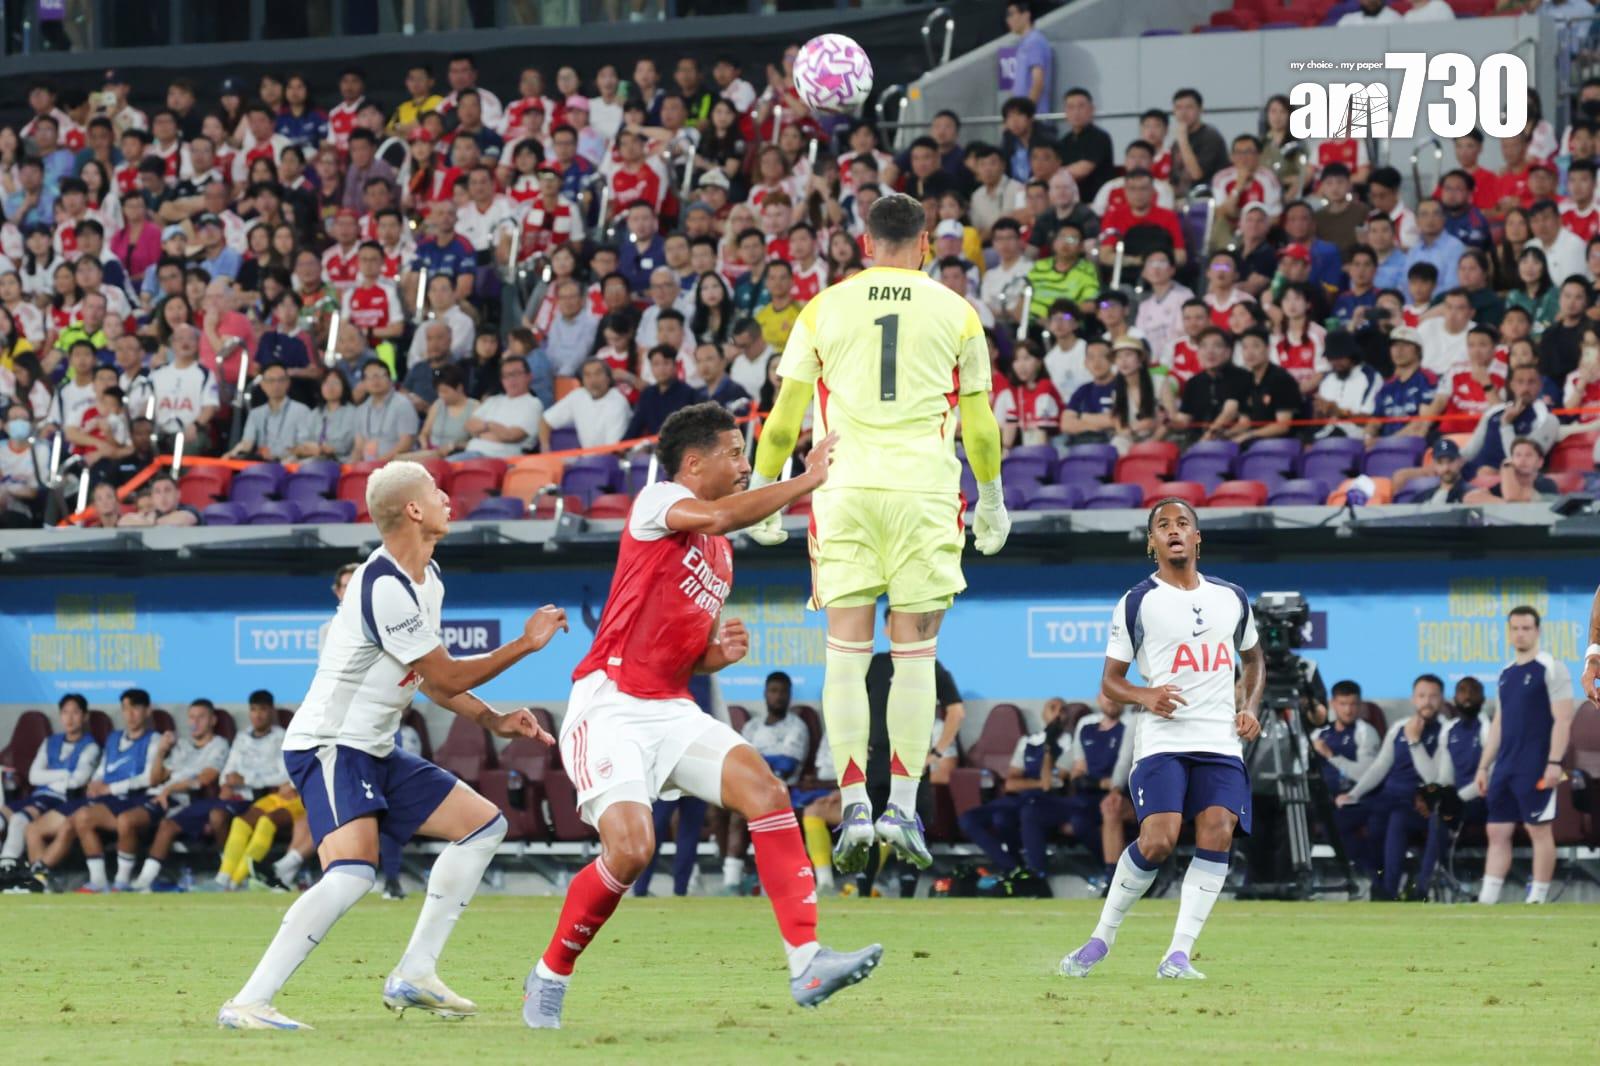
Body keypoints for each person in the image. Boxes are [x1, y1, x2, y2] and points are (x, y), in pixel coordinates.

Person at [522, 404, 880, 1027]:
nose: (744, 465)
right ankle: (550, 974)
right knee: (632, 850)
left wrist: (719, 655)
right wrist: (808, 479)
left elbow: (689, 653)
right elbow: (719, 513)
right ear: (693, 463)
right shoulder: (658, 500)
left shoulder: (720, 553)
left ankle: (807, 961)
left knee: (767, 792)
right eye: (734, 453)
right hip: (610, 704)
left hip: (671, 706)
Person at [219, 462, 570, 1030]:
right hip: (330, 744)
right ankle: (248, 1002)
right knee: (353, 874)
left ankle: (416, 973)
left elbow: (430, 679)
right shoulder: (382, 584)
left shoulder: (429, 579)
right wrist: (525, 644)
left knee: (484, 826)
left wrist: (494, 720)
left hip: (374, 749)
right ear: (412, 510)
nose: (447, 498)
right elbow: (447, 674)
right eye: (435, 491)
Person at [746, 193, 1009, 875]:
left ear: (865, 245)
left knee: (845, 657)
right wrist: (992, 500)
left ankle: (856, 804)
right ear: (925, 244)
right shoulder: (957, 311)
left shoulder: (822, 308)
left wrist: (763, 495)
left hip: (846, 493)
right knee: (915, 657)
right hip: (925, 493)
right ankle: (905, 807)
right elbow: (980, 424)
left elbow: (783, 419)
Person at [1060, 498, 1263, 981]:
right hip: (1163, 742)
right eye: (1163, 525)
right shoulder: (1137, 601)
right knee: (1158, 841)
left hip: (1220, 742)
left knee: (1219, 830)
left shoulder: (1232, 597)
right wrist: (1145, 694)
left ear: (1197, 538)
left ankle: (1178, 955)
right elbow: (1110, 681)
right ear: (1152, 542)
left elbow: (1254, 660)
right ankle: (1101, 939)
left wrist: (1250, 707)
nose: (1174, 530)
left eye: (1183, 523)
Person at [1476, 606, 1574, 906]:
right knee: (1497, 830)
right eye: (1515, 628)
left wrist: (1554, 762)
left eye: (1526, 628)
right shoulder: (1505, 673)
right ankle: (1487, 899)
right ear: (1508, 632)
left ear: (1537, 631)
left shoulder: (1551, 668)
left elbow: (1563, 719)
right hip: (1505, 765)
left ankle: (1537, 899)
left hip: (1537, 764)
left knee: (1538, 829)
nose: (1520, 634)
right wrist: (1484, 766)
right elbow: (1499, 723)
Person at [1336, 675, 1446, 900]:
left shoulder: (1446, 731)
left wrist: (1415, 742)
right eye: (1422, 696)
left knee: (1394, 820)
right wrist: (1354, 794)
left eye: (1433, 696)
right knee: (1338, 820)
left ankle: (1389, 891)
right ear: (1413, 699)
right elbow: (1380, 766)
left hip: (1417, 801)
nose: (1427, 701)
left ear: (1442, 700)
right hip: (1387, 796)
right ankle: (1374, 877)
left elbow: (1433, 778)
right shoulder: (1399, 727)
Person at [52, 688, 161, 894]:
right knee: (81, 817)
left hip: (138, 798)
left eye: (136, 708)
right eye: (125, 709)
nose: (130, 714)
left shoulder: (154, 740)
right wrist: (95, 783)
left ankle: (122, 881)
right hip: (111, 799)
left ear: (147, 711)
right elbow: (104, 768)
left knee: (125, 821)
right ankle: (99, 881)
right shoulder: (114, 737)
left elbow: (149, 778)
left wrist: (110, 788)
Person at [116, 698, 230, 892]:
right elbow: (155, 779)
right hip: (159, 794)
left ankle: (134, 881)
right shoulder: (182, 745)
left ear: (213, 720)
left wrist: (171, 789)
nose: (195, 722)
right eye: (191, 717)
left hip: (183, 799)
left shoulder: (219, 744)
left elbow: (205, 778)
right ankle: (136, 882)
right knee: (122, 818)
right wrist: (161, 751)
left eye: (201, 717)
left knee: (131, 820)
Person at [721, 672, 812, 893]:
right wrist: (765, 762)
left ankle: (757, 881)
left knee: (750, 814)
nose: (778, 696)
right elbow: (738, 761)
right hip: (749, 789)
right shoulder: (752, 727)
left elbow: (787, 764)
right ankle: (733, 881)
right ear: (765, 694)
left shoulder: (796, 726)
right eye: (773, 691)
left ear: (790, 695)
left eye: (783, 692)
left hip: (783, 790)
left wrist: (756, 761)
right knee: (721, 811)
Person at [0, 694, 99, 889]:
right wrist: (64, 773)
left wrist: (50, 776)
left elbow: (76, 782)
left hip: (61, 801)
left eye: (75, 712)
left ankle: (7, 869)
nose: (70, 718)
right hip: (38, 796)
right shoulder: (50, 742)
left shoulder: (91, 747)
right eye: (65, 713)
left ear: (85, 716)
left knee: (20, 820)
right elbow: (34, 776)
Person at [1311, 680, 1381, 878]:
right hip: (1324, 799)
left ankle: (1367, 872)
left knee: (1333, 824)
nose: (1348, 710)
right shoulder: (1319, 734)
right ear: (1333, 704)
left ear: (1360, 705)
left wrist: (1331, 755)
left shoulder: (1365, 732)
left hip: (1358, 799)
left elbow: (1365, 775)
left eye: (1353, 704)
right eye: (1343, 704)